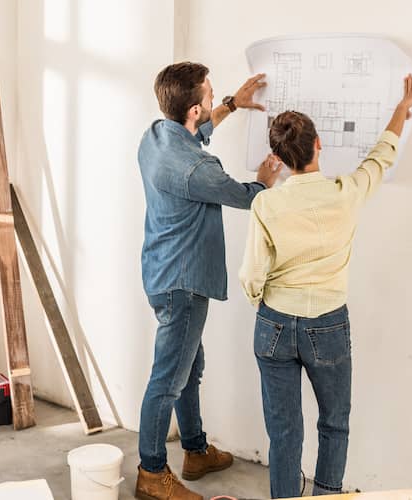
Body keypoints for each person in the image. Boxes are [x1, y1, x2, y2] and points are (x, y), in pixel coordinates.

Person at [239, 75, 412, 497]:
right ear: (319, 145)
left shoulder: (266, 202)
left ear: (278, 158)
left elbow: (251, 274)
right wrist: (400, 110)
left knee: (284, 432)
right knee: (334, 423)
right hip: (328, 324)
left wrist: (265, 304)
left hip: (275, 324)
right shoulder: (346, 193)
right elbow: (379, 159)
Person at [136, 61, 284, 500]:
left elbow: (197, 133)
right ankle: (151, 473)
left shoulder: (157, 136)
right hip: (183, 284)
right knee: (167, 379)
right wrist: (263, 180)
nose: (213, 96)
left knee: (188, 367)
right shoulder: (196, 170)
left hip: (161, 271)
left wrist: (232, 105)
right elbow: (245, 197)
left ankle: (196, 450)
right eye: (210, 93)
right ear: (193, 108)